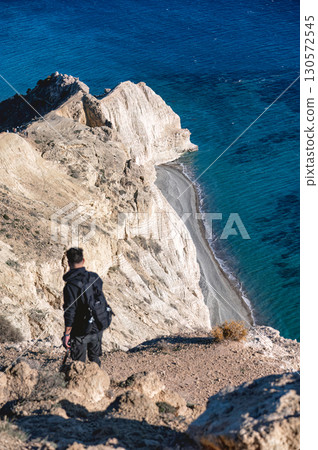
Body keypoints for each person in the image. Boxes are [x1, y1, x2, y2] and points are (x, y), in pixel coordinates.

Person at [62, 247, 104, 366]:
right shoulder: (95, 278)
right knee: (95, 359)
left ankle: (81, 383)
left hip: (80, 330)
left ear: (68, 263)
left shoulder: (70, 286)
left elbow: (70, 312)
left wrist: (67, 334)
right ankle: (98, 382)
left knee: (79, 364)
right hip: (97, 326)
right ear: (83, 260)